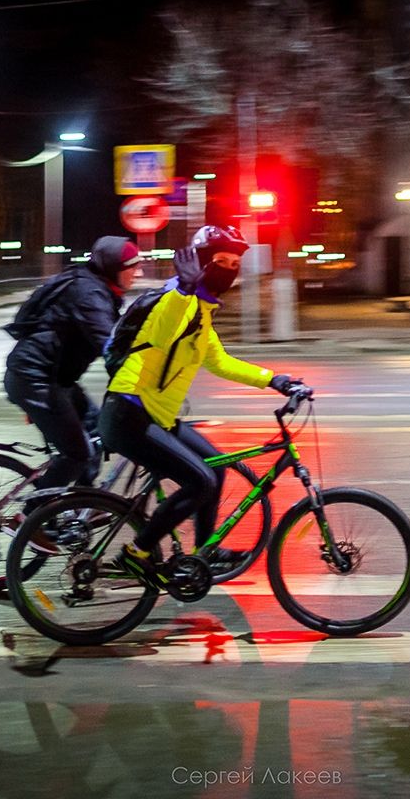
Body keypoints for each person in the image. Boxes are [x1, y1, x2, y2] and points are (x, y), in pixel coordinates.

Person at [97, 224, 303, 586]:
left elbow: (220, 362)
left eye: (236, 262)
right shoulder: (176, 300)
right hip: (129, 413)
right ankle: (137, 553)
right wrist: (184, 289)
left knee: (216, 469)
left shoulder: (201, 312)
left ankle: (207, 551)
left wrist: (275, 380)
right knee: (200, 481)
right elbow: (162, 335)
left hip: (155, 416)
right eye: (222, 260)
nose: (230, 268)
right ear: (201, 264)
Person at [4, 235, 142, 495]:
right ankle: (34, 516)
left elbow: (120, 339)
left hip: (56, 379)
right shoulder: (88, 295)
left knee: (97, 434)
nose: (139, 272)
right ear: (113, 267)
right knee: (77, 453)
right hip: (35, 379)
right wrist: (140, 385)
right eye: (132, 266)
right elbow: (111, 347)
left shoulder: (98, 288)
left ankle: (78, 508)